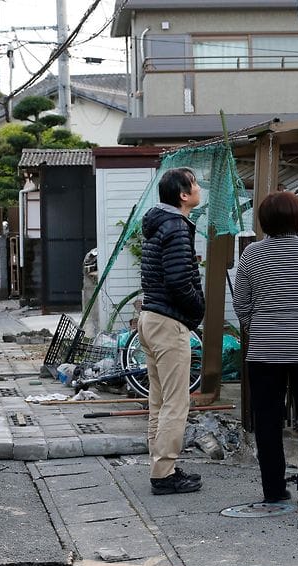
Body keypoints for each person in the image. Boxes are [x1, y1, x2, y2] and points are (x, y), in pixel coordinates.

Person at [233, 191, 298, 508]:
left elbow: (241, 304)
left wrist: (258, 328)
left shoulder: (251, 255)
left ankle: (274, 489)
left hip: (265, 351)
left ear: (264, 221)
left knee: (267, 420)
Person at [138, 167, 206, 495]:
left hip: (150, 317)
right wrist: (198, 310)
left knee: (159, 400)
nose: (198, 188)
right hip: (168, 323)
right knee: (176, 403)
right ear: (183, 194)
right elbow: (180, 280)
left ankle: (161, 467)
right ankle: (164, 475)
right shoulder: (177, 226)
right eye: (194, 184)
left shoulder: (157, 223)